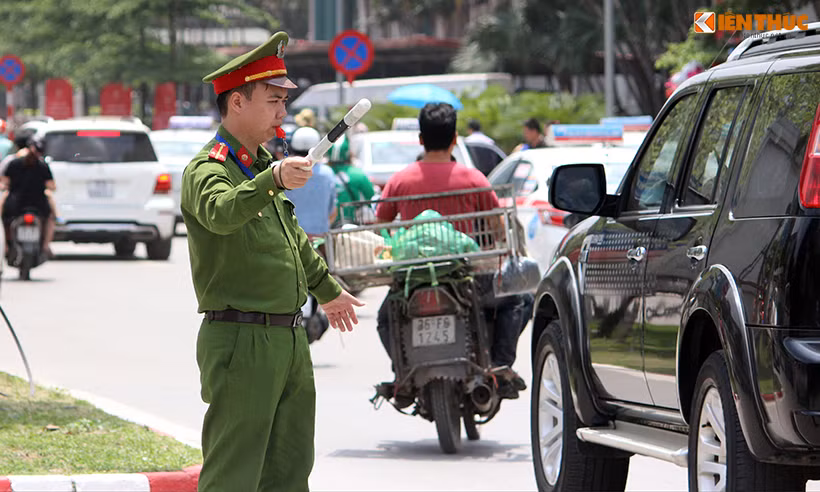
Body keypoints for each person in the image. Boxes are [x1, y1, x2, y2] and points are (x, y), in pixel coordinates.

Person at [180, 31, 364, 492]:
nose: (282, 112)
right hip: (241, 338)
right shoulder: (209, 169)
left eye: (284, 101)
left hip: (289, 336)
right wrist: (272, 179)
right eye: (273, 100)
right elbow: (222, 214)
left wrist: (329, 291)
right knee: (234, 473)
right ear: (237, 103)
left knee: (290, 468)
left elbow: (292, 241)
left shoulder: (260, 165)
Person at [374, 102, 531, 399]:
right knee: (519, 300)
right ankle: (500, 364)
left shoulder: (400, 180)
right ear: (455, 139)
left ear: (421, 139)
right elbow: (498, 229)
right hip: (468, 280)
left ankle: (401, 373)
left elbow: (380, 226)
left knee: (385, 319)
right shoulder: (474, 179)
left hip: (412, 283)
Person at [1, 135, 57, 257]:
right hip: (37, 205)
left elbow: (4, 182)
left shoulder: (14, 163)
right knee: (51, 217)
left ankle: (5, 245)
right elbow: (52, 186)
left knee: (4, 220)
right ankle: (46, 246)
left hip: (16, 205)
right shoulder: (42, 165)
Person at [283, 126, 338, 237]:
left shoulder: (280, 169)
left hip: (289, 240)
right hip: (319, 240)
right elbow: (333, 212)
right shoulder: (327, 173)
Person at [327, 134, 375, 224]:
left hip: (325, 226)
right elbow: (371, 198)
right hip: (350, 224)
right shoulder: (357, 174)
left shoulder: (322, 174)